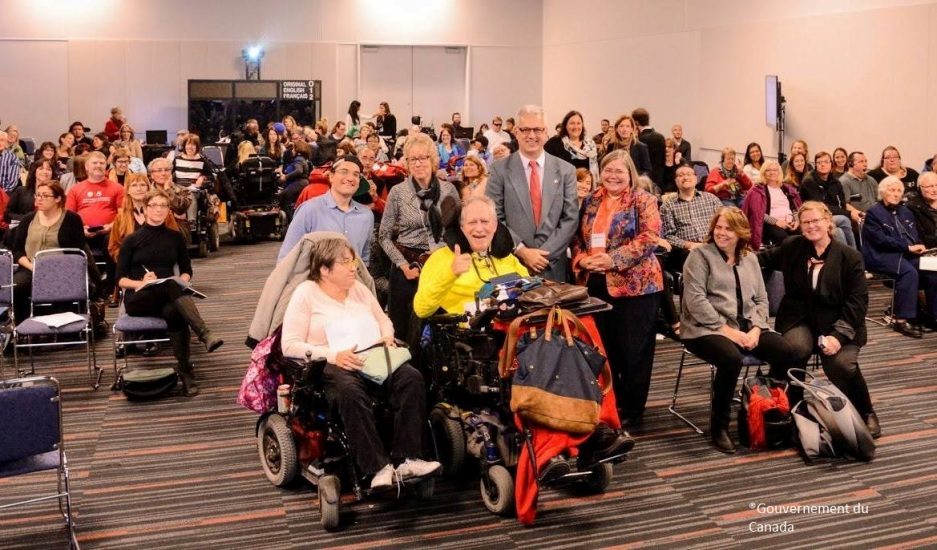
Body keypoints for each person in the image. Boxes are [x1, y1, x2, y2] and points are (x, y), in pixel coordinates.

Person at [281, 236, 440, 489]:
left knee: (411, 378)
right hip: (333, 362)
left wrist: (387, 337)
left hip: (373, 355)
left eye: (353, 260)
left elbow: (383, 320)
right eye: (345, 262)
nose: (354, 267)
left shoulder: (358, 288)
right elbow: (289, 345)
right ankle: (377, 468)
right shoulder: (306, 294)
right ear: (324, 269)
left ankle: (408, 458)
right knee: (350, 391)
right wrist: (333, 355)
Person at [760, 201, 880, 437]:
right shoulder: (792, 246)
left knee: (841, 365)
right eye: (806, 222)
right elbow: (759, 260)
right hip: (798, 318)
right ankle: (794, 408)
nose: (811, 226)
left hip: (839, 322)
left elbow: (857, 303)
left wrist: (838, 336)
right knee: (794, 350)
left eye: (816, 221)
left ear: (828, 222)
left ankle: (866, 411)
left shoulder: (850, 257)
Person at [681, 207, 795, 453]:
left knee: (787, 351)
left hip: (747, 326)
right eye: (718, 227)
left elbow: (762, 300)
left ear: (741, 232)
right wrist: (728, 332)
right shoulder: (699, 256)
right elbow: (695, 301)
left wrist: (756, 329)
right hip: (704, 329)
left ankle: (770, 410)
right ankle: (719, 427)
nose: (721, 233)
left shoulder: (750, 258)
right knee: (730, 359)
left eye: (728, 229)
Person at [570, 149, 663, 426]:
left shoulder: (643, 200)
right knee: (605, 348)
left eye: (619, 171)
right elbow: (577, 238)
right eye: (608, 170)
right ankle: (612, 402)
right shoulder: (590, 200)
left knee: (634, 351)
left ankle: (633, 410)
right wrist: (582, 260)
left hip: (637, 287)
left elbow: (649, 238)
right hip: (597, 283)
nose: (613, 176)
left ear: (630, 174)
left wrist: (612, 259)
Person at [117, 188, 223, 396]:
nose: (159, 210)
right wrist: (140, 282)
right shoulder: (131, 240)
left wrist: (182, 281)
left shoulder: (175, 237)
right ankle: (204, 333)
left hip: (168, 295)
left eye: (163, 206)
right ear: (145, 209)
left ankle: (185, 372)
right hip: (139, 297)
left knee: (174, 310)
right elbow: (119, 279)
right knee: (170, 287)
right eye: (154, 205)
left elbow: (186, 271)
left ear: (169, 210)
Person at [379, 133, 459, 340]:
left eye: (423, 157)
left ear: (432, 160)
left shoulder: (449, 190)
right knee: (404, 328)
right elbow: (384, 236)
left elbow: (456, 230)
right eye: (412, 159)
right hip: (407, 267)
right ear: (406, 163)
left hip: (441, 264)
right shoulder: (398, 192)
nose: (418, 163)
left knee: (439, 325)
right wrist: (403, 266)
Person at [486, 105, 579, 282]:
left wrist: (543, 256)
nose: (532, 135)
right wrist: (522, 251)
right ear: (515, 131)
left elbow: (570, 218)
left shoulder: (566, 171)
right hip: (512, 264)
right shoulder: (499, 170)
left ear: (546, 132)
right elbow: (494, 217)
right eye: (525, 129)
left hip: (553, 267)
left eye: (537, 129)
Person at [861, 177, 937, 337]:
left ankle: (932, 316)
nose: (895, 194)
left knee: (932, 270)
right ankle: (901, 320)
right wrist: (907, 247)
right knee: (909, 272)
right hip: (880, 255)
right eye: (891, 190)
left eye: (898, 191)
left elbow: (914, 235)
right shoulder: (874, 213)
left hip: (907, 254)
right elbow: (881, 240)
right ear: (882, 192)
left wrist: (919, 247)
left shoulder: (906, 211)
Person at [10, 181, 91, 323]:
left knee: (64, 284)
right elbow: (17, 251)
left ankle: (65, 327)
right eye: (38, 195)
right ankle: (23, 327)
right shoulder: (28, 219)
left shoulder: (72, 219)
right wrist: (34, 267)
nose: (39, 199)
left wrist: (55, 269)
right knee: (16, 286)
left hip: (63, 268)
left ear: (58, 198)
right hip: (31, 268)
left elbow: (77, 251)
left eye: (45, 196)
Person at [279, 155, 374, 263]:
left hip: (352, 278)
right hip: (314, 279)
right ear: (331, 176)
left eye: (356, 174)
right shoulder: (309, 210)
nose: (350, 178)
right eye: (344, 171)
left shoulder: (366, 215)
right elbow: (287, 257)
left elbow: (363, 260)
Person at [65, 152, 124, 297]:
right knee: (70, 239)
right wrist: (81, 229)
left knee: (112, 240)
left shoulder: (117, 188)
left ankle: (110, 287)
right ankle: (93, 285)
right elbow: (69, 216)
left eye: (101, 163)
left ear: (106, 166)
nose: (98, 166)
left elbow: (123, 214)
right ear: (86, 167)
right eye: (94, 163)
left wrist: (111, 226)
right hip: (82, 232)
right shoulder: (75, 189)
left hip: (109, 231)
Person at [659, 163, 723, 271]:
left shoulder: (711, 199)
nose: (685, 177)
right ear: (675, 181)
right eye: (681, 175)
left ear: (696, 178)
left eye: (689, 174)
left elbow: (724, 223)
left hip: (714, 246)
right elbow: (668, 236)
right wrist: (689, 245)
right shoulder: (668, 206)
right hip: (687, 252)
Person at [740, 159, 802, 249]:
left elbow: (795, 208)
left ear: (779, 172)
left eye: (775, 170)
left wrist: (796, 220)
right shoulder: (757, 191)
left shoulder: (787, 189)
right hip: (770, 224)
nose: (772, 172)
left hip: (790, 222)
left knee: (803, 236)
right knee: (784, 239)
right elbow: (758, 214)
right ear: (763, 173)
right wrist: (777, 222)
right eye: (768, 170)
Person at [800, 151, 855, 248]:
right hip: (815, 217)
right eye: (819, 162)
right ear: (816, 165)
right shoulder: (809, 182)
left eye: (826, 162)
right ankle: (851, 256)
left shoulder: (835, 182)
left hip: (831, 216)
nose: (823, 165)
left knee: (839, 232)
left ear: (831, 164)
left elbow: (841, 203)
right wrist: (848, 213)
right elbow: (820, 206)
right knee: (844, 219)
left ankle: (850, 257)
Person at [543, 110, 599, 181]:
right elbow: (544, 165)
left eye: (579, 123)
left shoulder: (590, 144)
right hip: (562, 187)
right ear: (565, 125)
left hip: (584, 188)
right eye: (572, 123)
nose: (576, 126)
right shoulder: (554, 142)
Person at [149, 157, 193, 244]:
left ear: (171, 173)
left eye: (167, 170)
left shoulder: (183, 191)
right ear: (152, 175)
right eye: (159, 170)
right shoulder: (145, 192)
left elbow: (180, 209)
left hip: (176, 229)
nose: (163, 173)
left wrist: (168, 190)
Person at [6, 158, 56, 224]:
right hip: (21, 229)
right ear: (34, 172)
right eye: (41, 168)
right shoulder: (20, 191)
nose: (45, 172)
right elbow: (7, 214)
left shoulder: (57, 194)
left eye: (48, 169)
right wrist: (28, 219)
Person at [840, 151, 878, 221]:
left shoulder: (871, 180)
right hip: (859, 219)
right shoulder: (844, 181)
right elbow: (845, 205)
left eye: (866, 161)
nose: (865, 164)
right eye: (861, 162)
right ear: (851, 164)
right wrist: (861, 215)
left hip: (875, 217)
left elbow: (878, 200)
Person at [632, 108, 666, 186]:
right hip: (659, 178)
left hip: (644, 180)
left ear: (636, 122)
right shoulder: (660, 137)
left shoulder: (639, 140)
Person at [908, 172, 937, 250]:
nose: (935, 190)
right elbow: (920, 237)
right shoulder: (912, 207)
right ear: (920, 188)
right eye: (930, 186)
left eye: (936, 185)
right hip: (929, 251)